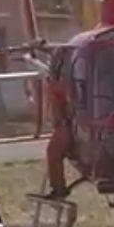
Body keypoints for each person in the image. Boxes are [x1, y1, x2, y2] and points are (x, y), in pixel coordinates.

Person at [43, 47, 74, 199]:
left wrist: (62, 122)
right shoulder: (64, 82)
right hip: (67, 123)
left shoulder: (61, 84)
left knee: (53, 152)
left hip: (68, 124)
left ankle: (58, 188)